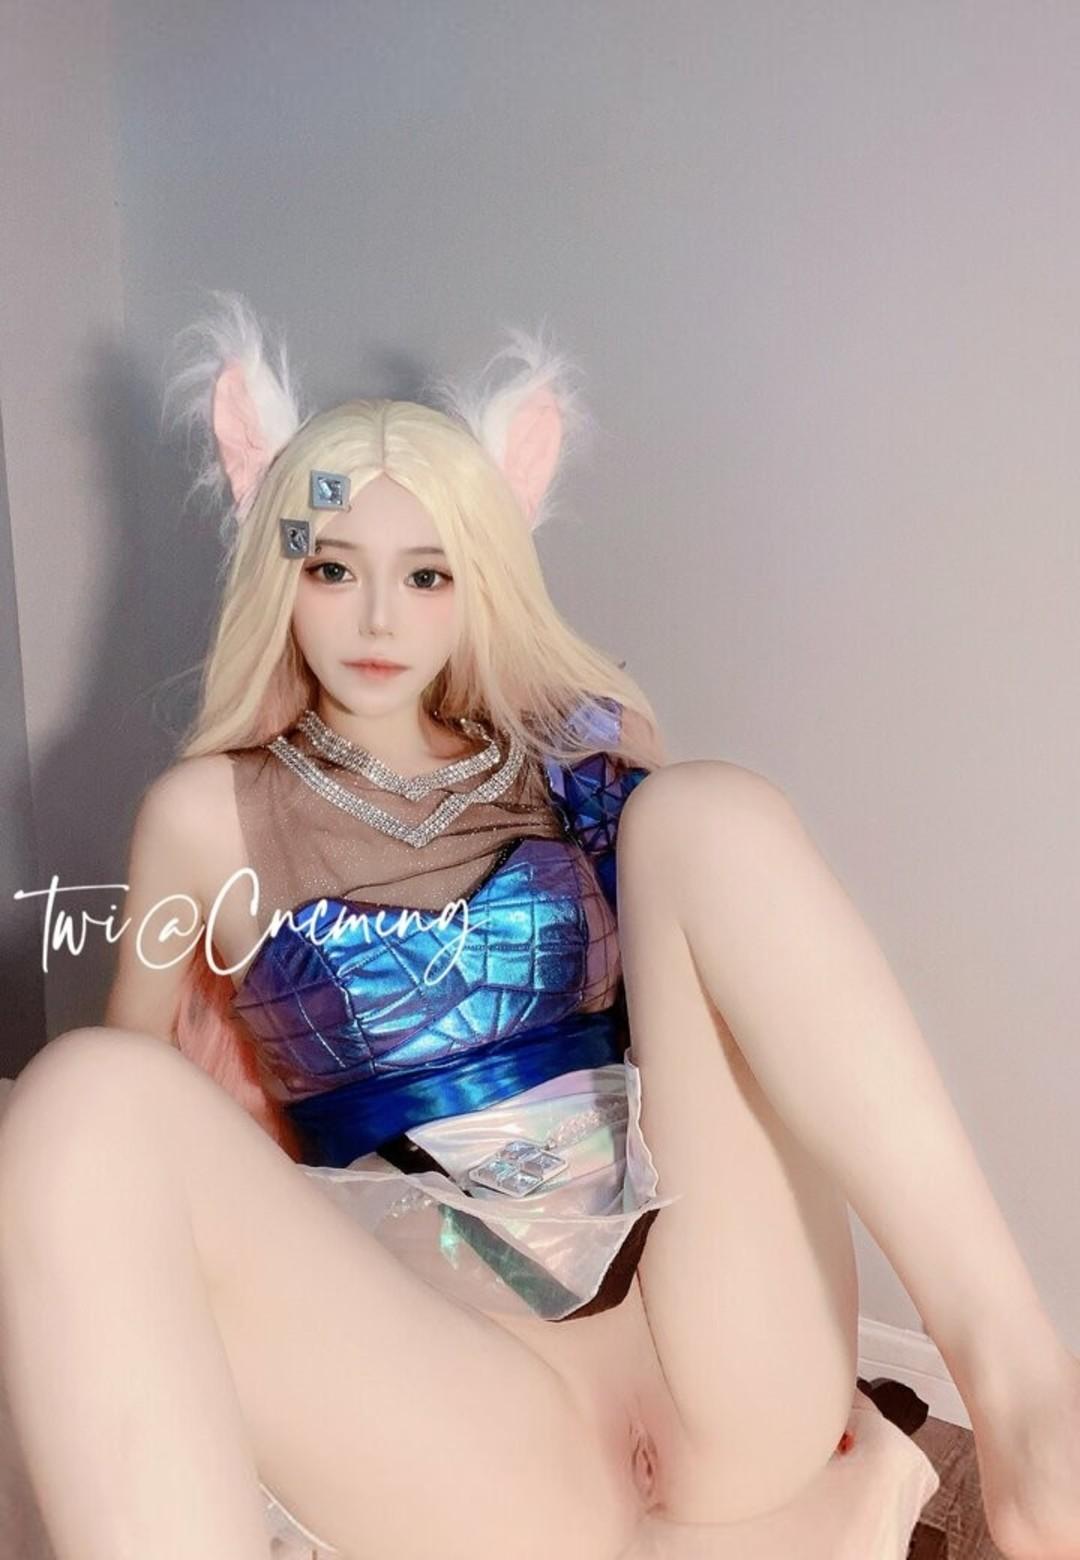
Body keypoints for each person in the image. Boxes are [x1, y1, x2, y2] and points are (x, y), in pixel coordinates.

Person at [0, 294, 1075, 1560]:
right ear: (278, 570)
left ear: (482, 576)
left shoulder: (584, 749)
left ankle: (1026, 1397)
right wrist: (233, 1085)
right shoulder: (204, 815)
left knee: (707, 813)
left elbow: (725, 1005)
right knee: (79, 1092)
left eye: (427, 574)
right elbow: (139, 1110)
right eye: (334, 568)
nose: (379, 619)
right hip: (485, 1416)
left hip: (716, 1350)